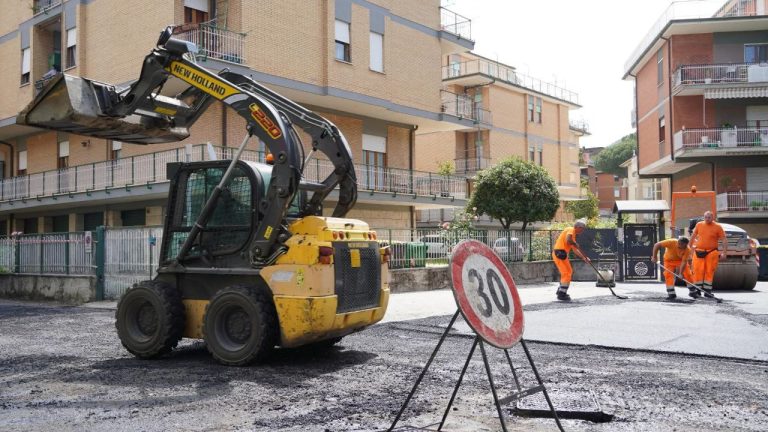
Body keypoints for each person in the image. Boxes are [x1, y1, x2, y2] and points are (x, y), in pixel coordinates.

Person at [689, 211, 727, 298]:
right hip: (699, 251)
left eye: (709, 217)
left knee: (709, 271)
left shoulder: (718, 227)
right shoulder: (699, 225)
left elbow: (724, 240)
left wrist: (724, 253)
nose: (707, 219)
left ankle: (707, 291)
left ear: (713, 217)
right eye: (705, 217)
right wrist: (688, 248)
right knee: (697, 270)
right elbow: (693, 236)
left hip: (712, 252)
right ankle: (697, 290)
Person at [552, 219, 591, 301]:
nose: (583, 230)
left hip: (562, 253)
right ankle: (562, 294)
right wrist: (574, 243)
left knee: (568, 272)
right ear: (577, 227)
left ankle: (561, 290)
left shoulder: (573, 235)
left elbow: (575, 250)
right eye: (582, 228)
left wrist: (584, 258)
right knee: (566, 273)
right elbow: (568, 240)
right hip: (560, 252)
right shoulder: (571, 229)